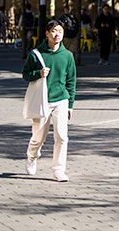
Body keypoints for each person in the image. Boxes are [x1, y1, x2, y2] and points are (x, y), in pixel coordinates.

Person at [22, 19, 77, 182]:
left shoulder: (67, 55)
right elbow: (25, 74)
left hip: (61, 99)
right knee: (38, 137)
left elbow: (71, 81)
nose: (57, 34)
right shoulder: (36, 54)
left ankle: (58, 169)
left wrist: (71, 104)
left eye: (60, 31)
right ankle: (32, 156)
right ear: (46, 34)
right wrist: (38, 73)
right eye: (53, 31)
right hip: (42, 101)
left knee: (61, 136)